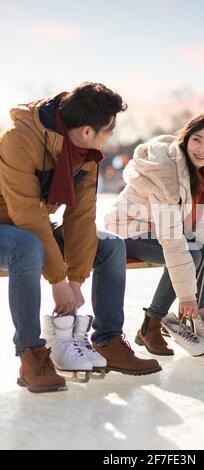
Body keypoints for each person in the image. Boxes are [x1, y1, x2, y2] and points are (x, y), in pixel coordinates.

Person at [0, 82, 161, 394]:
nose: (111, 135)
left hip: (31, 230)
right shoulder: (18, 140)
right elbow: (27, 212)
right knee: (27, 244)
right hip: (10, 230)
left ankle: (107, 341)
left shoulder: (86, 155)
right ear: (88, 130)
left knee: (111, 245)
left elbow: (81, 217)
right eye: (109, 129)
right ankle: (31, 354)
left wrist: (75, 280)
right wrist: (59, 281)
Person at [104, 112, 204, 358]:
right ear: (186, 138)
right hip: (128, 231)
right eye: (197, 139)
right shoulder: (166, 172)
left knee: (203, 247)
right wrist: (187, 297)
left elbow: (186, 218)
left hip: (156, 228)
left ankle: (202, 323)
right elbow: (173, 240)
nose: (201, 149)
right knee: (192, 253)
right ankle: (151, 324)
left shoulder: (198, 173)